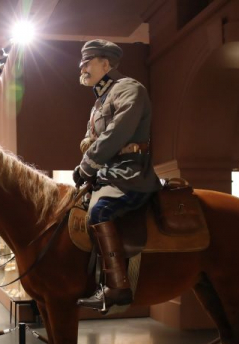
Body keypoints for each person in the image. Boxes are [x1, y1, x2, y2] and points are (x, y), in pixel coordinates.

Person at [73, 39, 161, 311]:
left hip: (129, 172)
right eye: (82, 63)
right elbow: (90, 139)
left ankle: (117, 287)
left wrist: (87, 163)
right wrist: (87, 161)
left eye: (88, 62)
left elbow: (117, 133)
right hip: (107, 172)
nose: (83, 67)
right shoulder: (99, 102)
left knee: (101, 211)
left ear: (105, 64)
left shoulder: (129, 89)